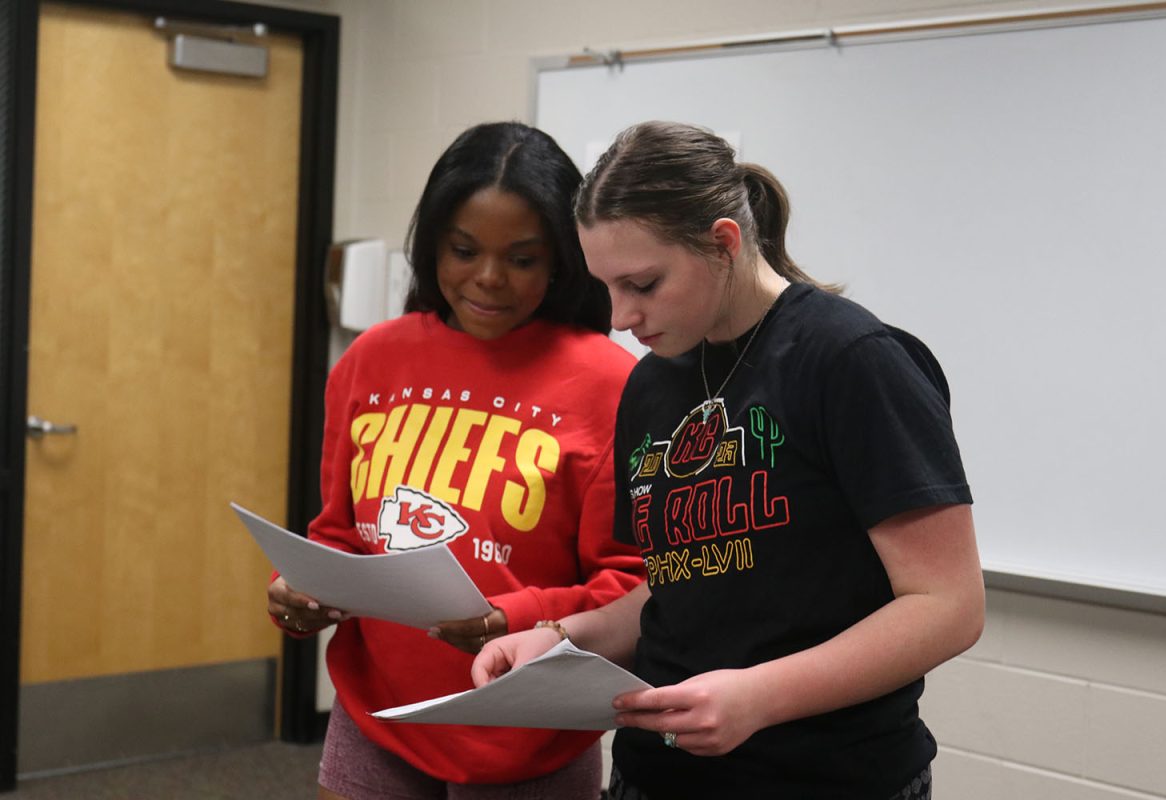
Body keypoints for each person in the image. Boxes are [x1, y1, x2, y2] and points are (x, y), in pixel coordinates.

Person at [472, 121, 985, 800]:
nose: (621, 316)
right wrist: (566, 639)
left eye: (644, 284)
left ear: (723, 243)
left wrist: (758, 697)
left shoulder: (849, 359)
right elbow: (681, 581)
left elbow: (947, 605)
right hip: (656, 774)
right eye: (607, 288)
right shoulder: (653, 381)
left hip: (825, 779)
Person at [267, 121, 645, 800]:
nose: (489, 279)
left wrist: (517, 614)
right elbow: (340, 532)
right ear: (433, 244)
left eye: (522, 259)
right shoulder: (372, 359)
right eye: (464, 250)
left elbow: (631, 586)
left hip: (527, 727)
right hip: (375, 713)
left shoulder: (609, 385)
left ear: (561, 258)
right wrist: (300, 591)